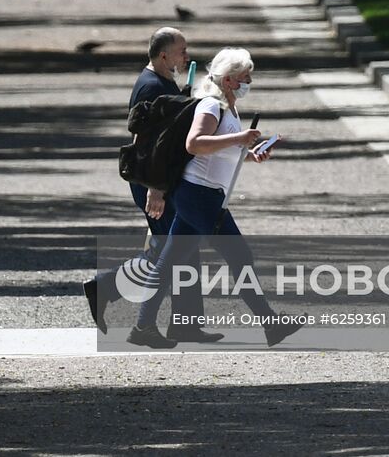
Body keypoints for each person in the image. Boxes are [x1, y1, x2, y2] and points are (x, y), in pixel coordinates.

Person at [128, 47, 301, 349]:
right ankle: (270, 323)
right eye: (246, 77)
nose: (249, 82)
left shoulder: (228, 106)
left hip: (200, 195)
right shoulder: (210, 105)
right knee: (239, 255)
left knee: (168, 263)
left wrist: (249, 154)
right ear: (230, 80)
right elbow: (195, 144)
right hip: (199, 196)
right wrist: (239, 138)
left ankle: (142, 326)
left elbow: (217, 153)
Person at [83, 28, 222, 344]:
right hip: (153, 181)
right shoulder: (150, 88)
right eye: (182, 51)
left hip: (160, 179)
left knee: (178, 248)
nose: (187, 56)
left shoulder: (162, 81)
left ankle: (182, 322)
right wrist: (156, 189)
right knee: (176, 250)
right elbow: (146, 142)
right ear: (164, 55)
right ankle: (109, 292)